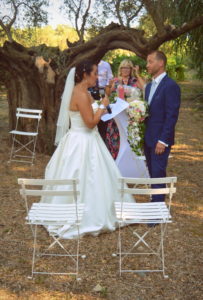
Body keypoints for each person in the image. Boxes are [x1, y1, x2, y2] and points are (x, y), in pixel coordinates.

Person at [41, 60, 134, 239]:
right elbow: (90, 123)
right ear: (85, 75)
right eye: (95, 73)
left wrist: (105, 102)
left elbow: (97, 107)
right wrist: (102, 106)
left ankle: (100, 208)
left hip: (88, 139)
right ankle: (87, 215)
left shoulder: (85, 91)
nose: (97, 76)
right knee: (84, 176)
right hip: (82, 141)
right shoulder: (80, 94)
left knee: (98, 176)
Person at [144, 50, 181, 202]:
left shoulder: (171, 86)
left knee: (158, 173)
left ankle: (157, 208)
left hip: (160, 140)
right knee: (152, 172)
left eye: (150, 61)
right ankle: (154, 202)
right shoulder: (148, 87)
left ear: (161, 63)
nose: (147, 65)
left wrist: (163, 140)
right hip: (148, 138)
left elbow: (171, 116)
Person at [105, 59, 149, 178]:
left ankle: (134, 169)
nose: (125, 70)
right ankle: (116, 171)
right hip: (117, 118)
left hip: (131, 116)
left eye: (127, 68)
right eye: (123, 68)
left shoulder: (135, 81)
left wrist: (137, 74)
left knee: (132, 142)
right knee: (116, 142)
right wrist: (110, 85)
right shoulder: (115, 80)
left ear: (130, 70)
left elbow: (145, 87)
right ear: (120, 69)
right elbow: (108, 95)